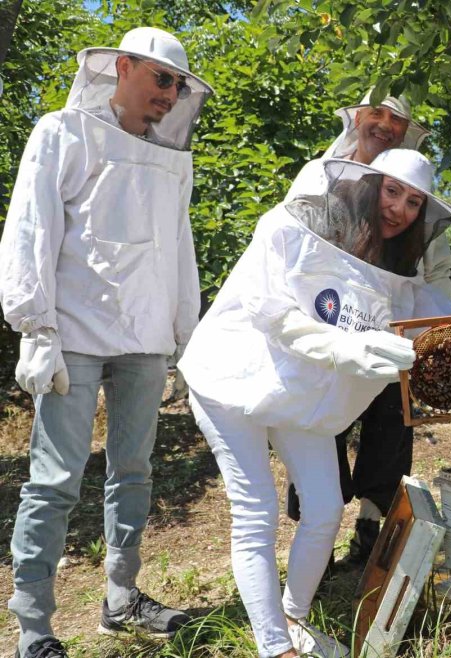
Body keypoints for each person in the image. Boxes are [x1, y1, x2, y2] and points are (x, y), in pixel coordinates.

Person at [178, 148, 451, 658]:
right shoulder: (288, 225)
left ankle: (293, 616)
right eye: (392, 192)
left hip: (295, 393)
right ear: (367, 187)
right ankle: (275, 647)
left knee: (327, 508)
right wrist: (344, 348)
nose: (399, 209)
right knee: (256, 512)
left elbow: (434, 312)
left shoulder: (398, 269)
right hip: (232, 380)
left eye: (414, 202)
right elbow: (272, 312)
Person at [0, 27, 212, 658]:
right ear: (122, 68)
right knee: (56, 480)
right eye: (161, 80)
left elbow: (179, 249)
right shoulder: (61, 132)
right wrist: (35, 328)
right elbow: (31, 226)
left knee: (134, 472)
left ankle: (122, 599)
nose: (171, 96)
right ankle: (33, 627)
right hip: (73, 336)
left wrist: (183, 335)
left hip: (145, 339)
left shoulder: (172, 158)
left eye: (178, 85)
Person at [284, 90, 451, 565]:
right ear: (356, 119)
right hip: (327, 331)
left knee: (390, 428)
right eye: (375, 114)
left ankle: (369, 531)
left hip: (391, 335)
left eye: (395, 120)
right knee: (320, 430)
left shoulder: (418, 198)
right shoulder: (320, 176)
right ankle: (317, 539)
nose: (383, 125)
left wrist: (435, 330)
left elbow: (434, 274)